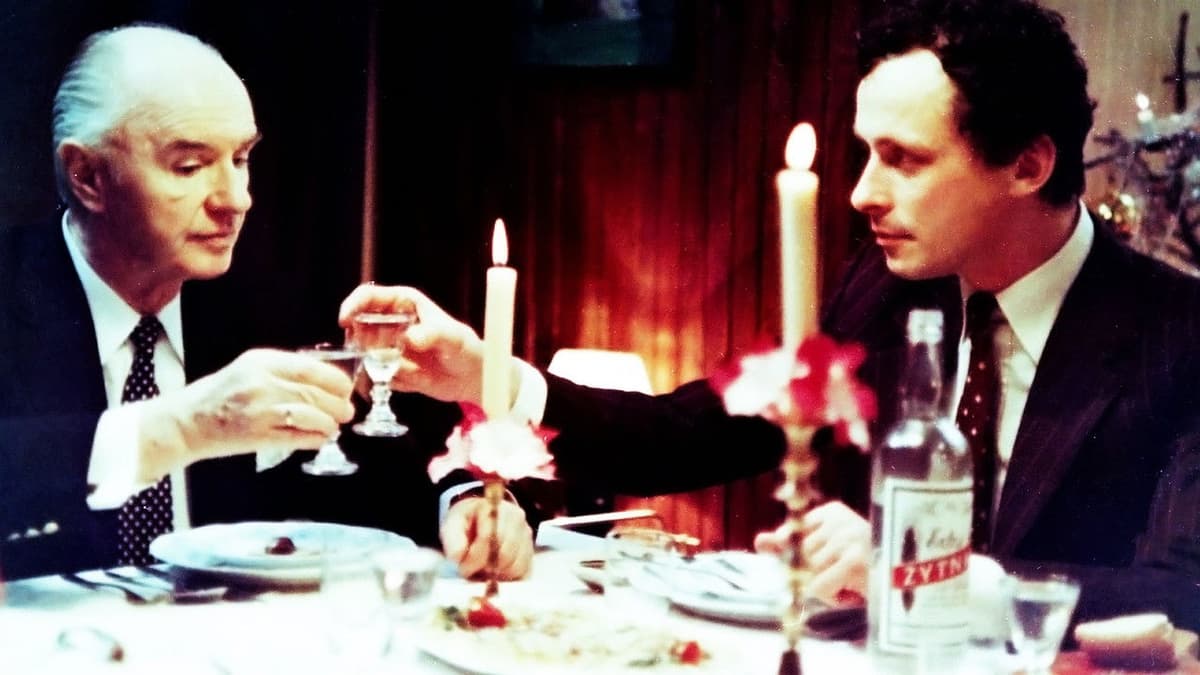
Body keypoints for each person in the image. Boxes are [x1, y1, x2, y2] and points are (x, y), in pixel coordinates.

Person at [339, 0, 1200, 630]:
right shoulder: (887, 291)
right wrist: (487, 372)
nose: (862, 192)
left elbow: (1183, 590)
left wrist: (931, 574)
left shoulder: (1177, 336)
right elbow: (693, 432)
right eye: (865, 153)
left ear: (1028, 165)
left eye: (903, 159)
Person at [0, 24, 531, 581]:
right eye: (190, 166)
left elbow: (372, 467)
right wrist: (176, 429)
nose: (237, 200)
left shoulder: (261, 300)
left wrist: (462, 502)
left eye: (240, 158)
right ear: (87, 177)